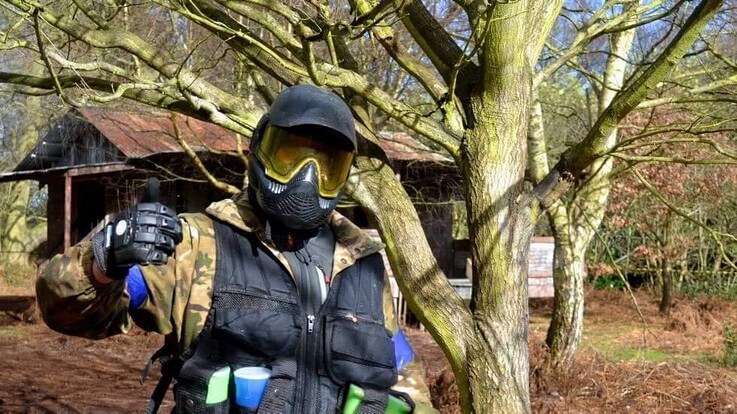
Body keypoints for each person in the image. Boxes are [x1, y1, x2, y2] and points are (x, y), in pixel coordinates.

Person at [36, 84, 436, 413]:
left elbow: (406, 384)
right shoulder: (194, 244)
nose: (307, 179)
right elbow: (67, 312)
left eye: (327, 166)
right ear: (257, 150)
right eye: (289, 156)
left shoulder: (364, 267)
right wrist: (103, 262)